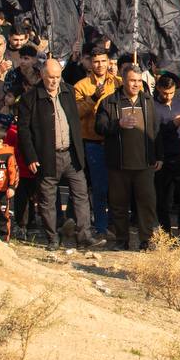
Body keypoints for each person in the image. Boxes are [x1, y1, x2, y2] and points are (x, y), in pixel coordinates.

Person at [17, 58, 105, 250]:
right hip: (46, 155)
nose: (54, 81)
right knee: (47, 199)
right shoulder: (30, 98)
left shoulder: (68, 92)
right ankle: (52, 239)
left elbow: (75, 119)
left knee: (81, 194)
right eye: (51, 77)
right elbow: (23, 131)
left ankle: (84, 236)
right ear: (42, 75)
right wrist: (31, 157)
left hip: (71, 154)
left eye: (58, 77)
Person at [94, 63, 160, 251]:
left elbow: (156, 130)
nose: (136, 84)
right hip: (119, 164)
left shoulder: (148, 101)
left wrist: (159, 155)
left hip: (144, 164)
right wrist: (118, 124)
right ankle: (122, 240)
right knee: (118, 205)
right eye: (132, 80)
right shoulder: (109, 102)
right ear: (123, 80)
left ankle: (147, 240)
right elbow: (99, 127)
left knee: (147, 204)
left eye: (139, 81)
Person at [72, 46, 118, 238]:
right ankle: (100, 227)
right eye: (96, 61)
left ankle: (115, 225)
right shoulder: (81, 86)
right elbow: (76, 113)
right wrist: (93, 98)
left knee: (115, 186)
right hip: (92, 142)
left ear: (109, 62)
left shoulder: (117, 83)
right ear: (90, 63)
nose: (100, 65)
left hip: (115, 140)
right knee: (98, 187)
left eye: (103, 61)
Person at [153, 73, 180, 236]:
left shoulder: (179, 102)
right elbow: (154, 133)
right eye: (165, 93)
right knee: (163, 197)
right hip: (162, 157)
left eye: (171, 93)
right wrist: (172, 124)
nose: (168, 96)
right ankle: (165, 230)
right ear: (158, 89)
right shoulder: (153, 106)